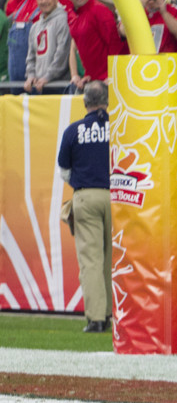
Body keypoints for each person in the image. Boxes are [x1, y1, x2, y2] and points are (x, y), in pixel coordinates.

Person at [57, 81, 113, 334]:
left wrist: (83, 184)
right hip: (118, 197)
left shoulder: (73, 131)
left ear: (85, 102)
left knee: (90, 260)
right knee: (113, 260)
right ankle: (114, 314)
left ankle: (97, 318)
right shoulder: (120, 126)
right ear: (108, 100)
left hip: (86, 196)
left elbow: (64, 172)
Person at [65, 0, 123, 89]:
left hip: (107, 79)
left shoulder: (99, 10)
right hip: (92, 78)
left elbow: (114, 43)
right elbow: (75, 46)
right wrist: (77, 75)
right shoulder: (73, 15)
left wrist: (112, 74)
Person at [23, 0, 70, 94]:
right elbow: (31, 56)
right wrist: (31, 75)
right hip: (38, 85)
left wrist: (48, 77)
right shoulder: (35, 26)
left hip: (58, 85)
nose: (44, 1)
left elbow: (62, 53)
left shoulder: (63, 20)